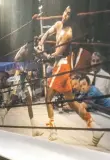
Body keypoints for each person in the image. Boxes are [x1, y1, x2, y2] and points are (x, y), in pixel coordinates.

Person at [36, 6, 104, 145]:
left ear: (71, 17)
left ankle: (53, 131)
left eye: (68, 14)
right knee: (72, 103)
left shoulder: (68, 33)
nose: (65, 15)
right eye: (65, 11)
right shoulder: (57, 25)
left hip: (62, 65)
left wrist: (43, 55)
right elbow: (46, 34)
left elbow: (57, 54)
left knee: (48, 98)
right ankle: (94, 127)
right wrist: (41, 44)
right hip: (59, 65)